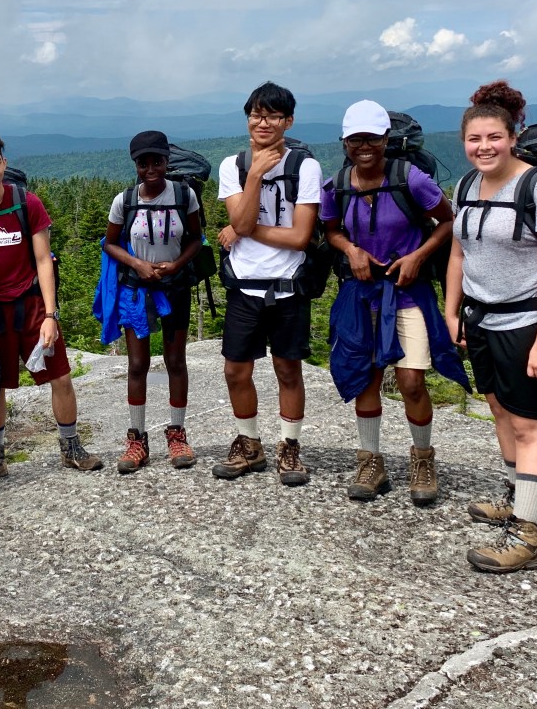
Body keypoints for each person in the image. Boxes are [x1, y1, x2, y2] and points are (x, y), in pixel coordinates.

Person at [444, 81, 537, 573]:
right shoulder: (465, 187)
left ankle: (527, 532)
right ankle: (520, 495)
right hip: (480, 317)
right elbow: (459, 253)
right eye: (474, 139)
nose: (484, 147)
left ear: (513, 137)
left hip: (528, 320)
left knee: (528, 423)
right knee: (499, 408)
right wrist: (452, 311)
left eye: (494, 137)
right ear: (464, 141)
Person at [322, 100, 459, 504]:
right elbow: (331, 230)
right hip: (362, 291)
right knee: (366, 377)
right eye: (356, 139)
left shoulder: (410, 179)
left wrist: (418, 256)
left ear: (386, 140)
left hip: (406, 290)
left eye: (372, 138)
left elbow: (447, 221)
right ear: (345, 143)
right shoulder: (337, 185)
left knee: (411, 380)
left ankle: (423, 459)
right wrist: (351, 250)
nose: (364, 146)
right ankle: (371, 461)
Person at [0, 131, 102, 479]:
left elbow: (44, 260)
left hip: (30, 305)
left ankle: (71, 447)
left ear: (5, 162)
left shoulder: (26, 203)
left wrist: (50, 314)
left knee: (60, 376)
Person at [214, 82, 322, 486]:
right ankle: (250, 443)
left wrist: (243, 227)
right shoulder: (234, 165)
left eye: (273, 116)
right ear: (248, 119)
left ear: (287, 121)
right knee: (235, 370)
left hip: (288, 284)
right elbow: (241, 222)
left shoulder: (305, 167)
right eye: (257, 115)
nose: (263, 123)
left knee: (288, 369)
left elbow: (299, 237)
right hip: (244, 285)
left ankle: (289, 446)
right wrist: (257, 173)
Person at [102, 130, 201, 473]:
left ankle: (177, 434)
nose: (150, 169)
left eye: (156, 162)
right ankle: (137, 439)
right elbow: (109, 243)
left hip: (174, 287)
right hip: (137, 290)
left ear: (166, 161)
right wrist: (137, 264)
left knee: (175, 361)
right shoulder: (125, 200)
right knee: (137, 364)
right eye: (143, 163)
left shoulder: (184, 195)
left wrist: (176, 264)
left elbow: (196, 238)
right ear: (135, 165)